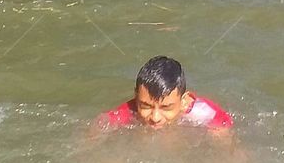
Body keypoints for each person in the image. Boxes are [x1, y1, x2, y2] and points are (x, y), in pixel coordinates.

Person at [96, 55, 233, 131]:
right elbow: (99, 125)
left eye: (166, 107)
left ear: (185, 101)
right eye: (146, 106)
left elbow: (226, 132)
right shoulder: (130, 110)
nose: (155, 118)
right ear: (136, 97)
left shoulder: (203, 113)